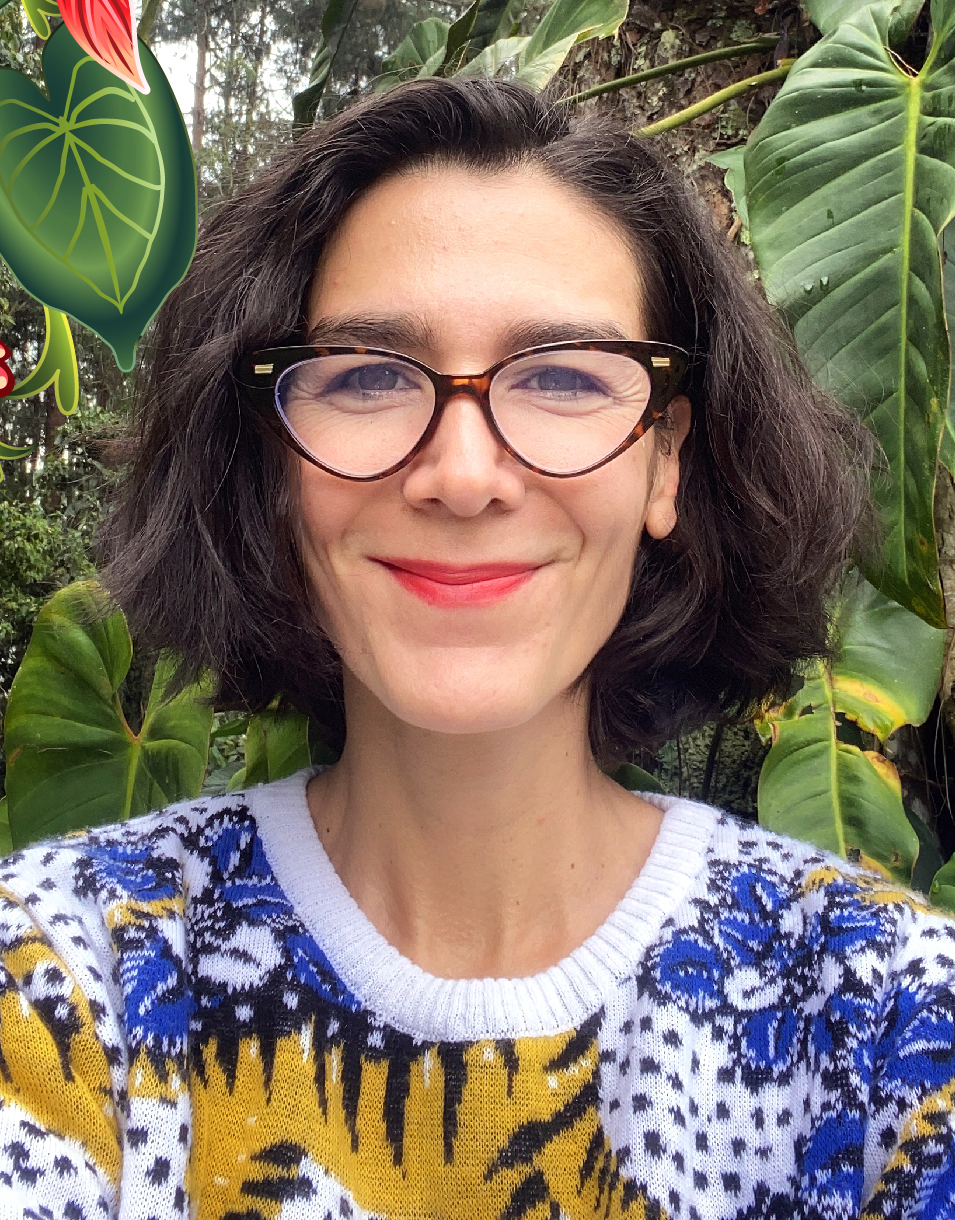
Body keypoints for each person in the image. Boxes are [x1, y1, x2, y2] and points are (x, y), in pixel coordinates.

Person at [0, 76, 951, 1220]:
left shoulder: (887, 1008)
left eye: (560, 376)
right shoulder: (63, 981)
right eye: (363, 376)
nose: (459, 475)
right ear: (271, 462)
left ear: (665, 462)